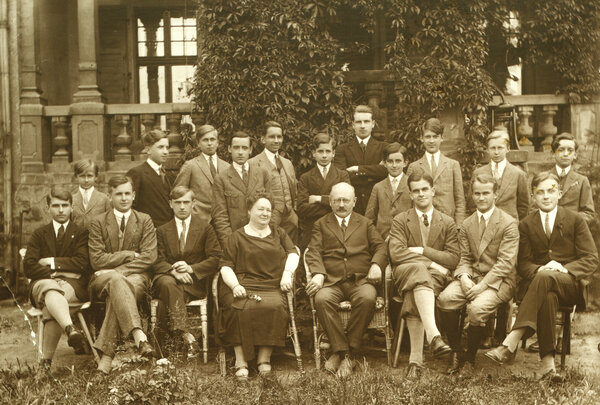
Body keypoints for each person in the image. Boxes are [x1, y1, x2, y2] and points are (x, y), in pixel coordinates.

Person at [486, 172, 598, 381]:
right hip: (541, 286)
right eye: (540, 192)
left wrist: (564, 269)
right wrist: (540, 269)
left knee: (547, 277)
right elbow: (523, 264)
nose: (546, 196)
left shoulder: (575, 220)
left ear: (559, 193)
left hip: (570, 284)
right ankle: (548, 367)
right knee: (547, 295)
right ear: (533, 196)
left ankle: (512, 340)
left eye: (551, 191)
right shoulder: (526, 224)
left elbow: (591, 259)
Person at [437, 174, 519, 375]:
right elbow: (464, 257)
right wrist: (464, 277)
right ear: (472, 195)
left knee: (476, 308)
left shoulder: (508, 223)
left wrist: (482, 286)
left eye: (486, 193)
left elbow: (505, 263)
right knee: (445, 299)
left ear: (495, 194)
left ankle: (470, 359)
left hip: (499, 281)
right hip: (472, 276)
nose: (481, 198)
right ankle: (457, 351)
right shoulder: (467, 224)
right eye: (477, 193)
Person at [305, 182, 387, 378]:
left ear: (354, 201)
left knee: (367, 297)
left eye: (345, 200)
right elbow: (313, 251)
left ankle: (343, 353)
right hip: (331, 281)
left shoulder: (365, 223)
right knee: (321, 299)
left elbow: (381, 247)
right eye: (337, 200)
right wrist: (318, 273)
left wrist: (376, 264)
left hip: (360, 280)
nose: (341, 205)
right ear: (330, 202)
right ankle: (345, 352)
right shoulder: (321, 224)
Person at [217, 193, 299, 378]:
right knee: (238, 308)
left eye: (268, 210)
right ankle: (241, 360)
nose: (265, 213)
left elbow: (293, 253)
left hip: (272, 285)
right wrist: (235, 286)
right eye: (260, 209)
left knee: (274, 306)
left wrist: (287, 274)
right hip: (242, 284)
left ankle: (264, 359)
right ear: (249, 211)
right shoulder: (236, 236)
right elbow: (225, 266)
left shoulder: (279, 233)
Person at [388, 169, 458, 378]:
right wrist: (431, 262)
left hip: (434, 278)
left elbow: (453, 258)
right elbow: (396, 253)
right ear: (410, 194)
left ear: (433, 191)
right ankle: (433, 334)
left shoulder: (447, 221)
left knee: (415, 292)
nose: (421, 194)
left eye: (424, 189)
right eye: (416, 191)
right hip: (406, 272)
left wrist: (422, 250)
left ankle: (415, 362)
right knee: (418, 271)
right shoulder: (401, 220)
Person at [88, 175, 158, 374]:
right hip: (102, 279)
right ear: (110, 196)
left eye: (128, 193)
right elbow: (97, 260)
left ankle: (106, 358)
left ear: (134, 195)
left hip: (135, 276)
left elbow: (149, 256)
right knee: (118, 283)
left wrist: (116, 271)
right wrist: (129, 254)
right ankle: (139, 336)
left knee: (118, 287)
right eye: (119, 194)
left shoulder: (144, 220)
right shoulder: (98, 222)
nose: (124, 198)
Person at [23, 186, 90, 370]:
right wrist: (54, 275)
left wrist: (51, 262)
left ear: (72, 207)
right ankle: (70, 328)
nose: (61, 210)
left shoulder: (81, 233)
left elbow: (82, 262)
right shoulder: (39, 234)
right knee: (50, 288)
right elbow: (29, 266)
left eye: (65, 205)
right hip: (42, 284)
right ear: (48, 208)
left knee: (51, 304)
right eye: (56, 205)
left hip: (71, 286)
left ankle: (45, 364)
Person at [153, 186, 221, 357]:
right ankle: (187, 335)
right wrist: (173, 271)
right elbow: (156, 260)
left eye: (186, 202)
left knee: (163, 303)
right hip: (167, 278)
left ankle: (163, 352)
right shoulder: (162, 230)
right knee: (168, 282)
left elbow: (215, 258)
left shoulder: (205, 228)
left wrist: (191, 268)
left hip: (192, 284)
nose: (182, 207)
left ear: (193, 203)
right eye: (178, 203)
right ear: (170, 204)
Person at [212, 131, 281, 246]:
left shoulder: (263, 173)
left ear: (250, 150)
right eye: (236, 148)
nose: (240, 152)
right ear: (229, 149)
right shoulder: (221, 178)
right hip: (236, 240)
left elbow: (272, 207)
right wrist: (230, 243)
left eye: (244, 148)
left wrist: (267, 235)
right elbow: (220, 216)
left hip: (262, 238)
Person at [406, 118, 466, 225]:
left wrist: (459, 225)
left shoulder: (453, 165)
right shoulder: (413, 167)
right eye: (428, 137)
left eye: (435, 136)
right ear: (421, 138)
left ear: (442, 138)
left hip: (448, 222)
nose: (431, 141)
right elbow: (408, 201)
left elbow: (460, 199)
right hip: (422, 222)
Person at [297, 133, 350, 249]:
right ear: (314, 153)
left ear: (333, 153)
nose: (324, 155)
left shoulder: (342, 175)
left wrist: (319, 199)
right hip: (313, 230)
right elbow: (301, 209)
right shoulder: (306, 178)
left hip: (336, 230)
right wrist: (332, 204)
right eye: (320, 151)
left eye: (328, 151)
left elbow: (346, 204)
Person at [334, 105, 387, 215]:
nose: (362, 126)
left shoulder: (383, 148)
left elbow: (385, 171)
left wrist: (357, 169)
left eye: (366, 122)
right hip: (353, 205)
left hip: (377, 204)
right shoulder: (342, 149)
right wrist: (374, 172)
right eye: (359, 122)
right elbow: (342, 176)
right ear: (353, 125)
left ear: (373, 124)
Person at [249, 121, 298, 241]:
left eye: (279, 137)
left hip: (290, 218)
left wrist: (294, 211)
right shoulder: (253, 163)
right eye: (272, 137)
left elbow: (294, 189)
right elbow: (252, 196)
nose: (276, 141)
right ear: (263, 139)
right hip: (269, 218)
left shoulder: (287, 163)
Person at [174, 125, 231, 223]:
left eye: (212, 139)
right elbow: (178, 194)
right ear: (198, 143)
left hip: (222, 220)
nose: (209, 143)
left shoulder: (227, 167)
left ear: (217, 142)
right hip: (198, 219)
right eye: (205, 140)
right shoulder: (190, 165)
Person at [472, 130, 530, 220]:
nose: (496, 152)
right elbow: (472, 204)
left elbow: (524, 206)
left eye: (500, 148)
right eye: (493, 148)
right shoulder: (478, 173)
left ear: (508, 148)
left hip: (510, 224)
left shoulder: (518, 174)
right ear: (487, 150)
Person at [365, 142, 412, 240]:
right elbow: (369, 219)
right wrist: (376, 238)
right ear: (384, 163)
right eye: (390, 161)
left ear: (405, 163)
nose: (394, 165)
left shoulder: (411, 185)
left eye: (398, 161)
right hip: (382, 239)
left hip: (406, 238)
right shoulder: (378, 187)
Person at [127, 129, 173, 227]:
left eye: (167, 147)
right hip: (148, 230)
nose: (165, 152)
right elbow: (130, 206)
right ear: (148, 150)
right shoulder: (137, 173)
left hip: (167, 229)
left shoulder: (168, 174)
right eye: (160, 147)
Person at [551, 132, 595, 226]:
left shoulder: (582, 181)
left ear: (575, 155)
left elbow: (589, 214)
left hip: (573, 231)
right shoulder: (543, 178)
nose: (565, 154)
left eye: (570, 150)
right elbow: (533, 210)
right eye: (561, 150)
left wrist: (568, 220)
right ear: (554, 154)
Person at [71, 159, 112, 230]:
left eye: (89, 176)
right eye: (82, 176)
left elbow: (109, 222)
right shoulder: (71, 199)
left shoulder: (103, 198)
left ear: (96, 177)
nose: (86, 180)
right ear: (76, 176)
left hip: (97, 236)